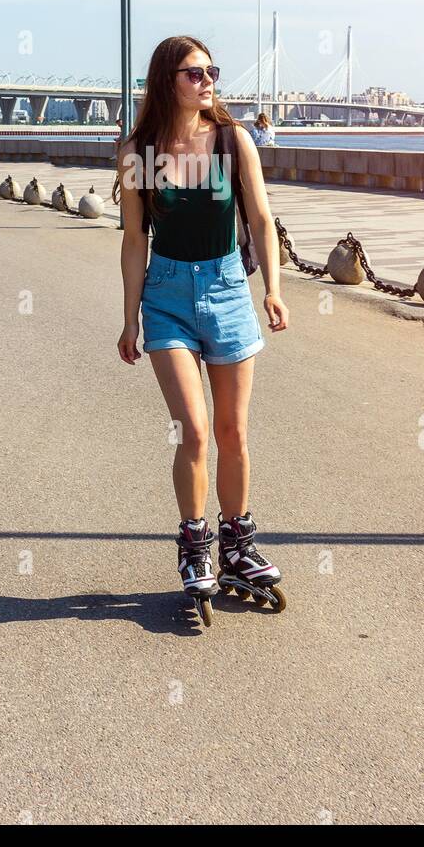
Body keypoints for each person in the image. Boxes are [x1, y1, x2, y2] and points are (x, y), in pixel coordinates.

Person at [114, 36, 289, 624]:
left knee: (233, 432)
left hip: (227, 290)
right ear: (168, 81)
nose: (207, 80)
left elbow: (261, 219)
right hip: (165, 297)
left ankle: (237, 544)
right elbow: (135, 237)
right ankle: (195, 545)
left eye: (211, 71)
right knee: (193, 428)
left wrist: (272, 288)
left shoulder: (233, 141)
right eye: (194, 73)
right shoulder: (139, 150)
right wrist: (129, 316)